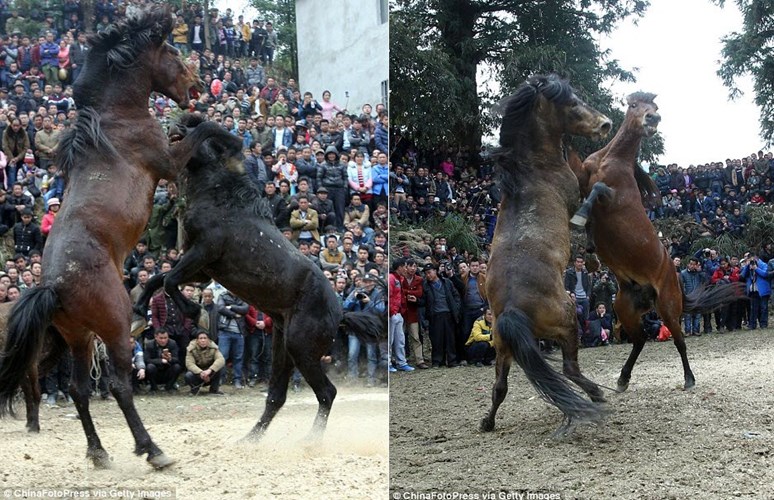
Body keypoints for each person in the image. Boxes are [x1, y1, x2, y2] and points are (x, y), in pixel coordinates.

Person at [343, 273, 386, 386]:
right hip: (355, 328)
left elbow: (381, 310)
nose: (367, 284)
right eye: (365, 281)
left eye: (370, 281)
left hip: (369, 329)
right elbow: (345, 306)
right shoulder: (355, 292)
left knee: (371, 355)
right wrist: (353, 298)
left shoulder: (378, 294)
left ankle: (370, 380)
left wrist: (369, 302)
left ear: (374, 283)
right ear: (361, 282)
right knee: (352, 354)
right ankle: (353, 379)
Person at [422, 262, 461, 368]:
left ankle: (452, 360)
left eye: (429, 272)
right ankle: (437, 361)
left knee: (450, 338)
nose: (428, 275)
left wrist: (456, 308)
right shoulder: (425, 286)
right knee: (437, 339)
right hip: (435, 314)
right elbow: (423, 301)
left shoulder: (446, 282)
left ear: (435, 271)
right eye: (426, 273)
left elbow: (456, 295)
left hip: (448, 313)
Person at [216, 288, 248, 389]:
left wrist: (230, 307)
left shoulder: (243, 295)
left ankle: (237, 380)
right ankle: (220, 379)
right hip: (224, 331)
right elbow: (220, 308)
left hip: (239, 332)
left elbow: (245, 309)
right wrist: (234, 314)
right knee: (222, 357)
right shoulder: (223, 295)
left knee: (238, 358)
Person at [388, 258, 413, 373]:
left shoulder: (400, 279)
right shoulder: (391, 278)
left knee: (400, 339)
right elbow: (389, 296)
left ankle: (401, 362)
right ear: (399, 267)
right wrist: (391, 312)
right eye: (405, 266)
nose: (406, 269)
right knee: (390, 340)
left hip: (398, 313)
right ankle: (388, 363)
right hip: (392, 313)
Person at [185, 330, 226, 396]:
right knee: (188, 375)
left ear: (208, 340)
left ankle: (214, 390)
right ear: (197, 340)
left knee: (221, 367)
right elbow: (189, 363)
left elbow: (221, 359)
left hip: (210, 373)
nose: (203, 340)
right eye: (201, 338)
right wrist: (201, 372)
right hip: (198, 374)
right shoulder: (191, 348)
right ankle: (195, 390)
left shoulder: (214, 347)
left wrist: (210, 370)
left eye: (205, 338)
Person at [144, 328, 183, 393]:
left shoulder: (172, 343)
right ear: (155, 337)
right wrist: (160, 361)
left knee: (177, 367)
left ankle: (169, 386)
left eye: (165, 338)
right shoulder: (149, 344)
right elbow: (146, 360)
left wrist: (170, 359)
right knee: (150, 367)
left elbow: (177, 359)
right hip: (155, 371)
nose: (163, 340)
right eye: (161, 338)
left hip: (167, 371)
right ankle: (153, 388)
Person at [740, 254, 770, 330]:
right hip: (752, 290)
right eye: (750, 260)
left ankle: (763, 324)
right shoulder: (748, 266)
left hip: (762, 290)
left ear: (757, 258)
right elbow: (742, 276)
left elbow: (766, 274)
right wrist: (747, 266)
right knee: (753, 308)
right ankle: (752, 324)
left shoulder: (763, 264)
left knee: (764, 308)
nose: (752, 262)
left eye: (753, 260)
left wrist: (756, 268)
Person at [680, 257, 705, 336]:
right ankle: (687, 331)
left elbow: (706, 280)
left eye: (694, 264)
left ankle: (696, 330)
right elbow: (681, 285)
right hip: (688, 296)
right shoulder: (683, 273)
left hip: (698, 296)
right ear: (688, 264)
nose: (692, 266)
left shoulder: (699, 273)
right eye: (691, 264)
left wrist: (700, 272)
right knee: (687, 315)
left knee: (697, 315)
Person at [564, 255, 591, 323]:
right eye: (578, 262)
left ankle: (585, 329)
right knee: (575, 316)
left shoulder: (585, 273)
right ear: (575, 263)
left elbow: (589, 286)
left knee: (585, 317)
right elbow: (566, 286)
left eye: (581, 262)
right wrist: (571, 294)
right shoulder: (569, 272)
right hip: (574, 297)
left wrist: (588, 296)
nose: (579, 264)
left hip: (584, 297)